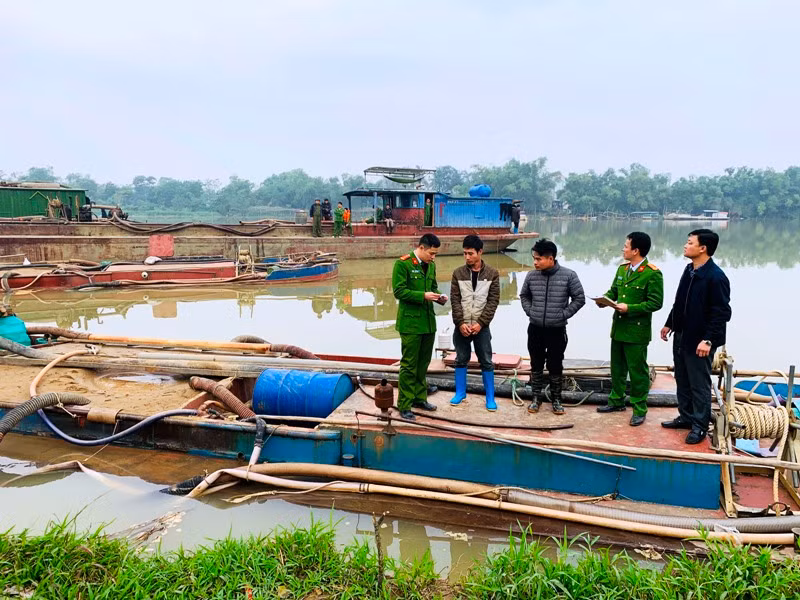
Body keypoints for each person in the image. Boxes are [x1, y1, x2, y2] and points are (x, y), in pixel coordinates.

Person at [661, 229, 731, 445]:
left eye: (690, 243)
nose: (685, 245)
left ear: (703, 248)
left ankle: (700, 425)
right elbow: (680, 301)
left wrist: (708, 340)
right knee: (681, 377)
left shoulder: (716, 277)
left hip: (700, 340)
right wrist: (670, 323)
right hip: (682, 334)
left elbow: (722, 313)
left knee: (699, 383)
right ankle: (686, 417)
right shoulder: (689, 270)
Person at [595, 232, 664, 426]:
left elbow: (655, 303)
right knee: (617, 368)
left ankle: (639, 409)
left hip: (637, 332)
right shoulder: (622, 269)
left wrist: (630, 308)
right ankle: (616, 401)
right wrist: (604, 300)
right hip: (619, 328)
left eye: (626, 246)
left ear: (636, 250)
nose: (623, 249)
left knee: (637, 372)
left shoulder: (652, 273)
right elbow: (614, 291)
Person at [519, 239, 585, 415]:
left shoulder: (569, 275)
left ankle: (556, 400)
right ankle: (536, 399)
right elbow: (524, 295)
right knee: (536, 363)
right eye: (534, 258)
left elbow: (579, 299)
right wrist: (531, 312)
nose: (535, 262)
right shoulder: (531, 276)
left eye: (538, 259)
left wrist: (563, 314)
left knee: (555, 365)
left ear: (551, 258)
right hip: (535, 328)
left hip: (556, 330)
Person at [392, 233, 445, 419]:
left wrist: (438, 296)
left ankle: (419, 398)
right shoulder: (403, 264)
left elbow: (433, 287)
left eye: (435, 254)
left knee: (423, 364)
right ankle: (404, 404)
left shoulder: (431, 265)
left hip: (428, 323)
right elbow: (399, 291)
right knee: (409, 365)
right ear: (421, 248)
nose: (433, 257)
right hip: (411, 324)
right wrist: (422, 296)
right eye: (431, 253)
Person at [449, 235, 500, 411]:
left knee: (486, 360)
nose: (467, 257)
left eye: (470, 253)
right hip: (462, 326)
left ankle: (490, 397)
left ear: (480, 252)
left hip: (481, 327)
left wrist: (481, 323)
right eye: (465, 253)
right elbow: (455, 300)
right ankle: (460, 393)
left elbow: (493, 301)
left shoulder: (492, 274)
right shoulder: (458, 273)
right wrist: (460, 323)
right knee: (460, 359)